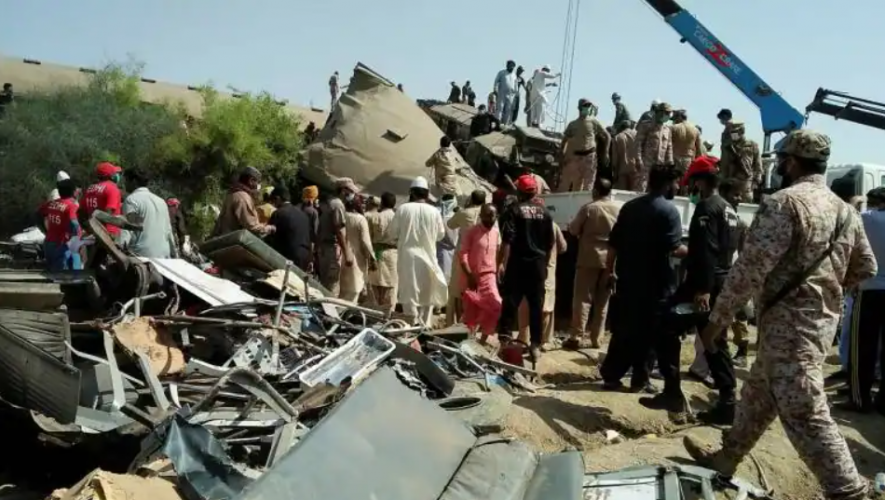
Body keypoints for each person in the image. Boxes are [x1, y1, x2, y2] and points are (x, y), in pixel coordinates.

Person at [684, 130, 876, 500]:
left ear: (790, 162)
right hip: (819, 324)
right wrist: (827, 289)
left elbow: (750, 269)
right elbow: (866, 267)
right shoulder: (846, 211)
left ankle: (850, 491)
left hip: (790, 326)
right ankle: (727, 458)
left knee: (804, 406)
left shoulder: (784, 203)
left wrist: (716, 321)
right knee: (758, 394)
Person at [640, 158, 739, 424]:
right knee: (713, 339)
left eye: (692, 183)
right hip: (721, 281)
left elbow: (706, 252)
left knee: (664, 325)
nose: (690, 189)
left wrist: (703, 290)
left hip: (701, 286)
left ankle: (672, 391)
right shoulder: (729, 209)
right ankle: (728, 402)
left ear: (700, 181)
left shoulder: (707, 208)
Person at [600, 165, 687, 394]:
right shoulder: (669, 211)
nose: (677, 187)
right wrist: (696, 251)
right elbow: (674, 248)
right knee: (650, 334)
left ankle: (611, 376)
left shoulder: (629, 207)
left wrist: (610, 271)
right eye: (676, 183)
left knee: (623, 330)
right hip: (656, 284)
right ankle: (640, 380)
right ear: (668, 184)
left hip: (628, 280)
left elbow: (613, 243)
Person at [497, 175, 555, 361]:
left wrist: (502, 264)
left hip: (517, 264)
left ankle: (505, 341)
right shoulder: (545, 214)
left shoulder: (514, 211)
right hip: (537, 266)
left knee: (511, 303)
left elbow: (507, 240)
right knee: (536, 306)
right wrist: (543, 265)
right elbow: (549, 243)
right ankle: (535, 345)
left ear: (520, 192)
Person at [841, 186, 885, 412]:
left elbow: (846, 213)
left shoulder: (867, 218)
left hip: (869, 290)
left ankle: (859, 398)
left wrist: (857, 201)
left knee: (862, 349)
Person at [565, 178, 620, 349]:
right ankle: (597, 338)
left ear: (595, 190)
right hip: (611, 258)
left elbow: (573, 230)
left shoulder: (589, 208)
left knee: (583, 298)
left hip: (589, 257)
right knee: (603, 300)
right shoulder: (618, 209)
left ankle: (577, 336)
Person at [387, 177, 448, 326]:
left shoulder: (403, 209)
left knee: (409, 293)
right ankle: (424, 326)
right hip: (428, 256)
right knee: (427, 293)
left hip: (408, 257)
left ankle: (411, 325)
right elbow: (441, 235)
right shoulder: (434, 212)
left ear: (412, 193)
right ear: (427, 194)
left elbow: (392, 233)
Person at [517, 217, 566, 351]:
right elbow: (563, 247)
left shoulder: (523, 224)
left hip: (527, 271)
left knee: (525, 305)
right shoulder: (553, 225)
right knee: (546, 307)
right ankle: (544, 341)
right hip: (546, 273)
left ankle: (523, 339)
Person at [460, 204, 502, 343]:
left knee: (495, 306)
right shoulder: (472, 232)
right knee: (471, 311)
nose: (492, 218)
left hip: (489, 276)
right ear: (481, 216)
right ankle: (469, 341)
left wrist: (500, 267)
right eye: (489, 215)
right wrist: (469, 274)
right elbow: (463, 254)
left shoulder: (496, 232)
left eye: (494, 215)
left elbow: (499, 251)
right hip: (472, 277)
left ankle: (483, 340)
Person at [445, 190, 486, 325]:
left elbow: (450, 224)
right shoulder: (487, 214)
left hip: (462, 255)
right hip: (480, 256)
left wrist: (463, 209)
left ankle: (458, 324)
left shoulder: (464, 213)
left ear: (471, 199)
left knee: (458, 291)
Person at [119, 169, 177, 259]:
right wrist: (175, 255)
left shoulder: (132, 200)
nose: (125, 184)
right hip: (164, 257)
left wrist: (119, 248)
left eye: (126, 180)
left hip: (141, 257)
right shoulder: (161, 201)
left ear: (134, 181)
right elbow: (169, 231)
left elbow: (128, 228)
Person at [558, 98, 611, 193]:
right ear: (579, 108)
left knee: (588, 187)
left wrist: (606, 152)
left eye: (588, 106)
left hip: (589, 156)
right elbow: (564, 140)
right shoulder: (572, 124)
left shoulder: (593, 122)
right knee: (576, 186)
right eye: (585, 106)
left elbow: (607, 135)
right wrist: (562, 153)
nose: (587, 108)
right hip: (576, 157)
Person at [316, 178, 356, 296]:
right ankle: (329, 313)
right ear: (343, 190)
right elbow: (339, 231)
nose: (351, 195)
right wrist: (347, 252)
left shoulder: (325, 202)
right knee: (332, 286)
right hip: (331, 249)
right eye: (350, 191)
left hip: (322, 248)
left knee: (323, 284)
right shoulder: (337, 205)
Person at [213, 167, 275, 238]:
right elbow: (252, 227)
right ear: (251, 181)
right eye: (257, 182)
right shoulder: (243, 197)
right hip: (233, 241)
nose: (258, 186)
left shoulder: (233, 194)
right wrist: (269, 228)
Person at [266, 186, 313, 271]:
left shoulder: (279, 213)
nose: (273, 204)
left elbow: (269, 236)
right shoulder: (304, 216)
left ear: (277, 199)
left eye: (273, 201)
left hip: (286, 258)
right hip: (304, 258)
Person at [39, 178, 82, 271]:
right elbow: (74, 223)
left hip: (48, 244)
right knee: (62, 277)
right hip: (62, 245)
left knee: (52, 274)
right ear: (74, 192)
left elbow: (37, 214)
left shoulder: (51, 203)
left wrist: (44, 230)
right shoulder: (71, 206)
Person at [366, 192, 398, 314]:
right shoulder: (397, 217)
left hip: (376, 252)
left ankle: (374, 313)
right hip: (392, 254)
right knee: (391, 285)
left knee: (374, 284)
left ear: (382, 203)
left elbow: (368, 237)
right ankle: (388, 313)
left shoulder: (375, 217)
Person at [339, 195, 374, 303]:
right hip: (356, 259)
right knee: (353, 292)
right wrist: (372, 258)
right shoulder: (360, 219)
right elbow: (365, 241)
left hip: (341, 256)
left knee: (341, 291)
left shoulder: (342, 216)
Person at [633, 103, 674, 192]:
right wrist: (638, 159)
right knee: (641, 187)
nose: (668, 116)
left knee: (656, 189)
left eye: (669, 114)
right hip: (646, 163)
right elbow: (638, 143)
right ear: (659, 112)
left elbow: (669, 147)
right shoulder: (646, 125)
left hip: (660, 164)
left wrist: (670, 162)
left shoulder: (667, 130)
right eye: (666, 113)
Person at [718, 121, 762, 202]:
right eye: (731, 132)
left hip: (745, 180)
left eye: (735, 132)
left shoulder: (752, 145)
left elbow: (758, 164)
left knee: (746, 202)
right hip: (730, 180)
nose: (733, 134)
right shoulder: (727, 146)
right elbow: (724, 163)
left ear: (742, 131)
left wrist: (757, 180)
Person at [81, 162, 124, 238]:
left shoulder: (90, 189)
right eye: (115, 173)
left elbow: (80, 212)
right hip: (109, 235)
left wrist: (88, 229)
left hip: (93, 232)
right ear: (111, 175)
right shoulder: (112, 188)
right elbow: (108, 213)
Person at [669, 109, 704, 180]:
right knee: (686, 182)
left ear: (679, 117)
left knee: (673, 181)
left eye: (674, 118)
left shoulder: (672, 128)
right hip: (689, 159)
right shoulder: (695, 130)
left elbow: (667, 145)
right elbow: (699, 149)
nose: (673, 121)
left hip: (674, 159)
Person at [436, 195, 459, 284]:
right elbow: (454, 241)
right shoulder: (455, 218)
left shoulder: (438, 216)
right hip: (450, 253)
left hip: (440, 251)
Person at [611, 120, 638, 191]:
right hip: (636, 168)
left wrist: (615, 172)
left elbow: (615, 158)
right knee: (635, 193)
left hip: (622, 169)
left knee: (622, 194)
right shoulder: (637, 135)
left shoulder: (617, 137)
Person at [493, 60, 518, 125]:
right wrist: (495, 89)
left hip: (511, 95)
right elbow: (496, 81)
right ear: (507, 66)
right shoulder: (501, 72)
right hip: (502, 93)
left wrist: (516, 95)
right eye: (509, 65)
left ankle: (505, 124)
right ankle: (497, 123)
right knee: (500, 108)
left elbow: (516, 86)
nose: (511, 67)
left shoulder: (514, 75)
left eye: (512, 66)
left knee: (509, 110)